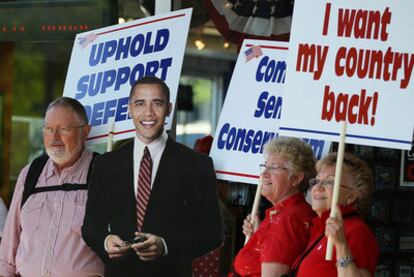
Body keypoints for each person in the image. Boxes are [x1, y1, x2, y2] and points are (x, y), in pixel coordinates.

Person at [82, 76, 223, 277]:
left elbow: (212, 233)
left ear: (169, 108)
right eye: (140, 104)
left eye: (157, 103)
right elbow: (91, 227)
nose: (148, 112)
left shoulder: (197, 164)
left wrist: (165, 245)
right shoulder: (106, 164)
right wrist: (105, 241)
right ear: (129, 108)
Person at [0, 97, 104, 277]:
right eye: (49, 129)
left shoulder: (103, 172)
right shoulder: (30, 174)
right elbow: (8, 253)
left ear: (85, 132)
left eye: (64, 129)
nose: (55, 137)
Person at [233, 137, 317, 277]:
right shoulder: (284, 214)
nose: (264, 173)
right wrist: (259, 236)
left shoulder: (287, 219)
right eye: (265, 166)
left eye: (273, 168)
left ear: (295, 178)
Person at [291, 152, 379, 277]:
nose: (318, 187)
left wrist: (341, 245)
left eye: (330, 182)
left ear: (351, 196)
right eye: (317, 181)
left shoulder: (357, 231)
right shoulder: (318, 227)